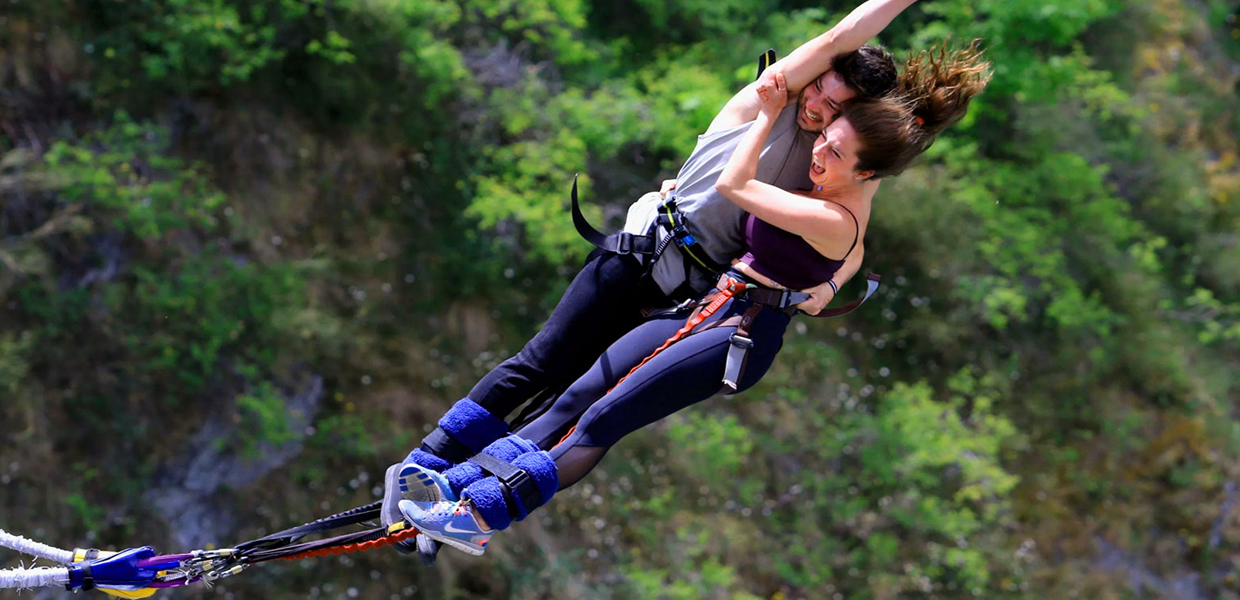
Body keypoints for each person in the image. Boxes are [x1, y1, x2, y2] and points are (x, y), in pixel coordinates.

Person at [395, 41, 994, 556]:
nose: (819, 140)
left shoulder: (832, 198)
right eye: (824, 122)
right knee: (569, 384)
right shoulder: (819, 165)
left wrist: (770, 118)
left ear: (866, 171)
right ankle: (445, 485)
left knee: (597, 417)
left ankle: (475, 516)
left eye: (836, 137)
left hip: (736, 330)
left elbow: (825, 227)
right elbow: (842, 47)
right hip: (693, 293)